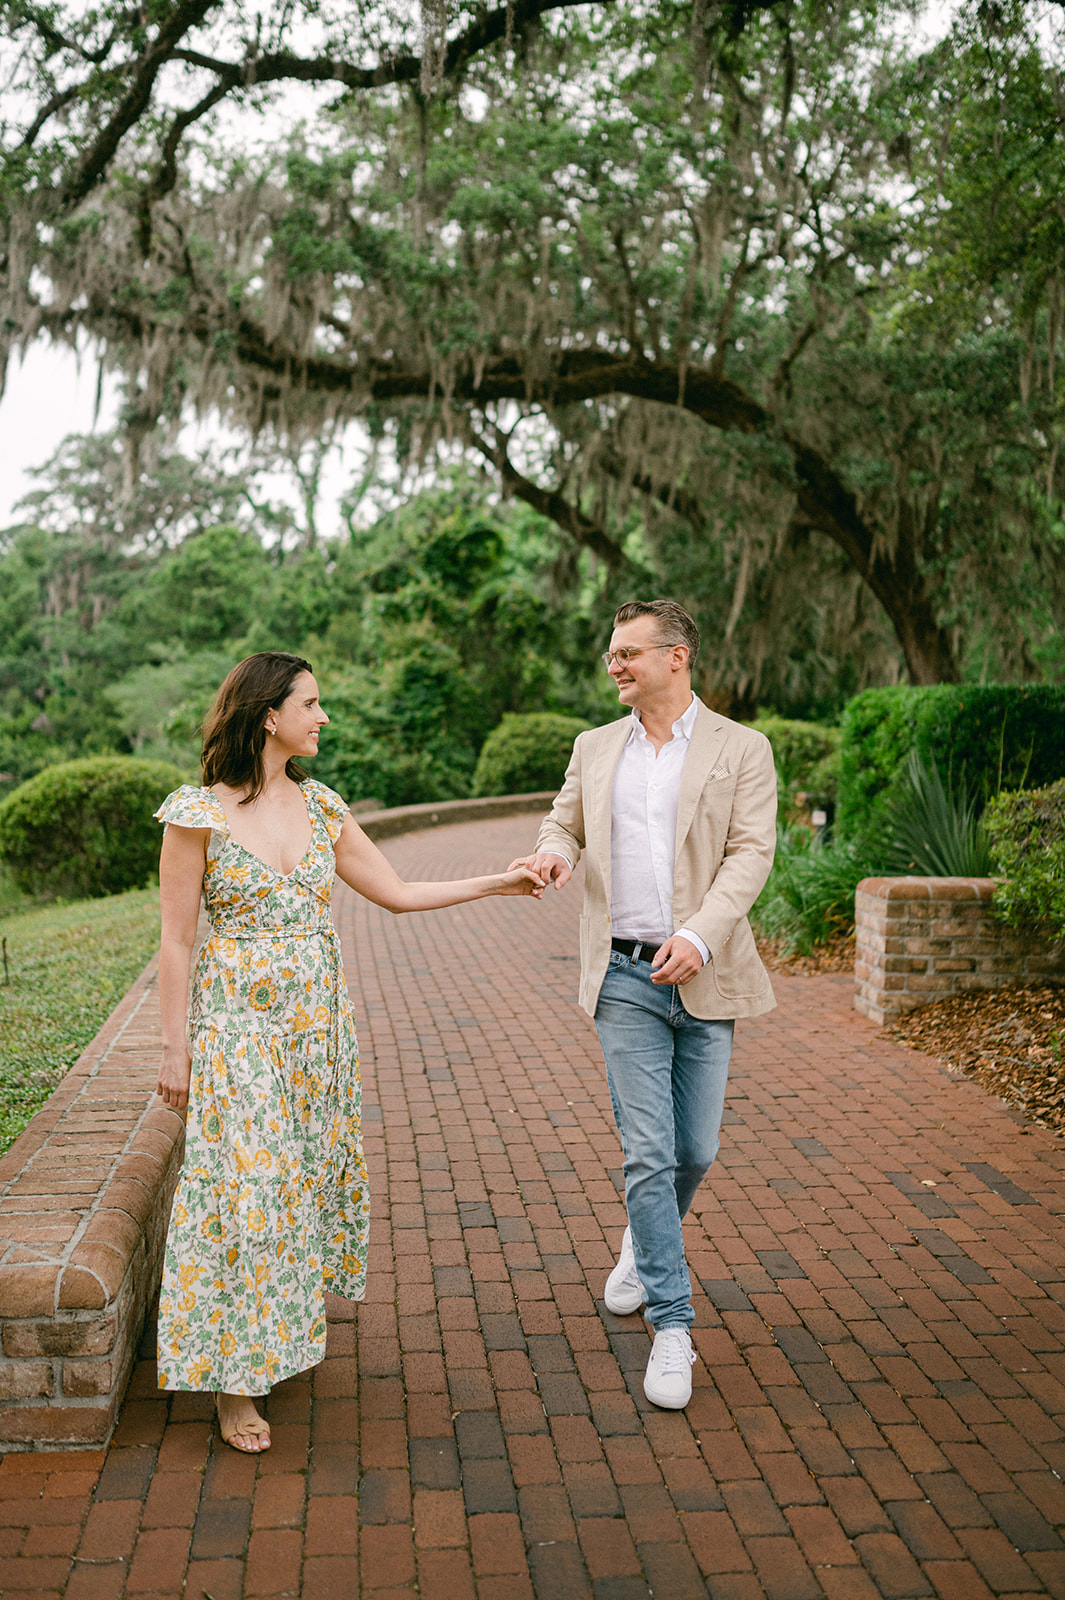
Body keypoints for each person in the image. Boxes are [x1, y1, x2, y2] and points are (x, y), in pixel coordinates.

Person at [155, 651, 544, 1452]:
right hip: (236, 1033)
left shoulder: (324, 807)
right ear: (269, 715)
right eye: (311, 703)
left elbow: (397, 893)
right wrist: (175, 1050)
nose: (323, 716)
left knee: (292, 1188)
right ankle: (235, 1387)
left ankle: (270, 1339)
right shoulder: (197, 813)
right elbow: (174, 940)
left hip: (317, 1035)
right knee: (253, 1189)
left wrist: (496, 884)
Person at [511, 601, 776, 1409]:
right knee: (649, 1155)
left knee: (694, 1151)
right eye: (610, 655)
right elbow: (564, 823)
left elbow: (750, 852)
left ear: (677, 657)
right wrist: (553, 856)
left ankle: (640, 1238)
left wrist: (697, 934)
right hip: (622, 979)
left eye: (628, 653)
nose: (614, 665)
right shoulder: (595, 747)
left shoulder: (743, 747)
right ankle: (672, 1326)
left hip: (705, 971)